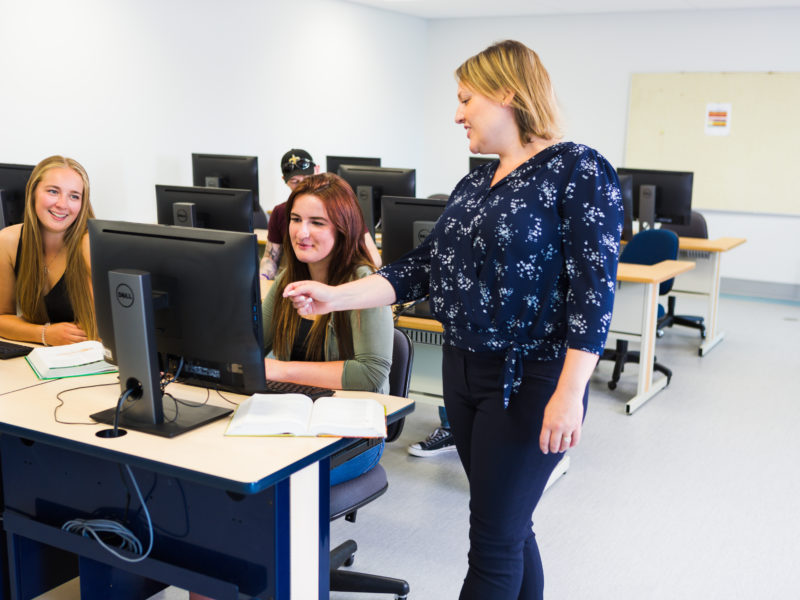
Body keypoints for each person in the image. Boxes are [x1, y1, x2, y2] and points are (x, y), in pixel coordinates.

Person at [283, 40, 623, 599]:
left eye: (467, 98)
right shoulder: (473, 184)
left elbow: (595, 292)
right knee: (508, 525)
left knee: (491, 541)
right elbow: (419, 269)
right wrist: (332, 297)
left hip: (532, 378)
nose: (458, 113)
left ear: (508, 94)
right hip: (464, 374)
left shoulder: (577, 169)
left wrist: (571, 391)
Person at [262, 171, 393, 485]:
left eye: (317, 223)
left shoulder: (363, 282)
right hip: (295, 415)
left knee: (276, 478)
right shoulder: (287, 279)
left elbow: (371, 374)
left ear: (343, 228)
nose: (302, 232)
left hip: (355, 434)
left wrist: (280, 370)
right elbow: (251, 345)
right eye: (295, 219)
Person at [0, 155, 97, 345]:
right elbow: (2, 318)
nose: (62, 204)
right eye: (53, 191)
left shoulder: (89, 245)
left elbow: (98, 333)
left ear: (82, 204)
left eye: (74, 196)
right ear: (33, 192)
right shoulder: (8, 241)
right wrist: (44, 334)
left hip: (91, 362)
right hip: (46, 358)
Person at [260, 148, 381, 279]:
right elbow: (270, 258)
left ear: (317, 170)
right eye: (295, 181)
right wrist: (263, 278)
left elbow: (373, 258)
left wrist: (354, 280)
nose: (302, 185)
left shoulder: (340, 209)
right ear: (285, 180)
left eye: (317, 222)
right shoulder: (280, 212)